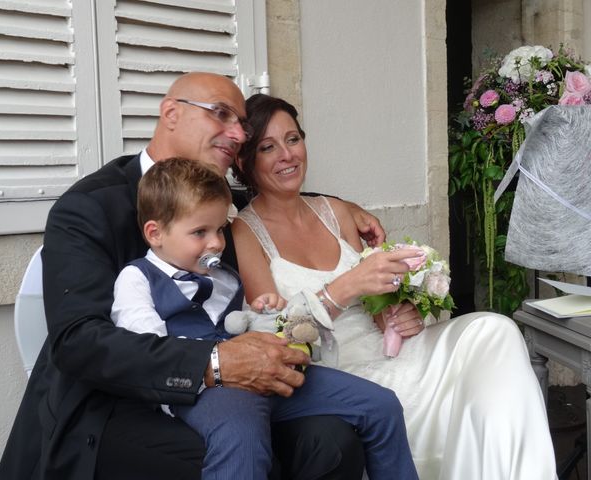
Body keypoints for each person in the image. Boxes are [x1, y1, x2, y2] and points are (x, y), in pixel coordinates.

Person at [0, 72, 394, 480]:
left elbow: (284, 200)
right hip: (112, 406)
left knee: (332, 440)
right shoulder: (88, 207)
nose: (238, 134)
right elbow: (80, 342)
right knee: (232, 451)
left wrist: (345, 208)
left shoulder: (230, 204)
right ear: (171, 112)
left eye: (241, 123)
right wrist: (214, 363)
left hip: (230, 390)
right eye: (221, 115)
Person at [231, 93, 558, 480]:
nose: (287, 155)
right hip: (339, 371)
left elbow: (375, 302)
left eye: (293, 139)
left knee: (494, 329)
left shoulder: (336, 212)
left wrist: (399, 312)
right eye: (268, 147)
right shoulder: (244, 233)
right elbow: (278, 339)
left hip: (393, 350)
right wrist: (347, 285)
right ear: (244, 160)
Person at [110, 157, 418, 479]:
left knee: (380, 406)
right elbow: (149, 352)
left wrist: (266, 313)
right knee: (242, 439)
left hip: (265, 372)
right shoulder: (137, 278)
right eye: (200, 232)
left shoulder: (225, 277)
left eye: (219, 230)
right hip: (202, 391)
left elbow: (247, 326)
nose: (216, 243)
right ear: (155, 233)